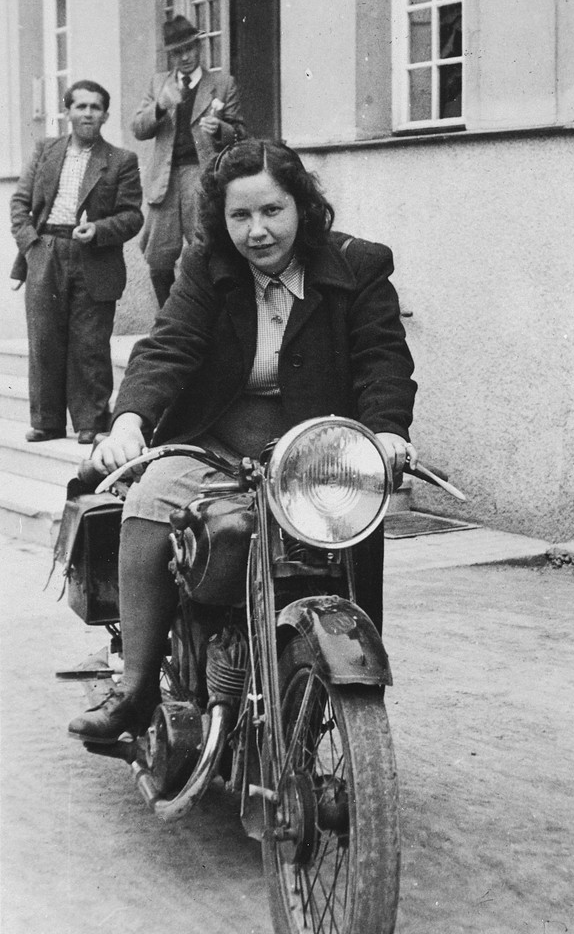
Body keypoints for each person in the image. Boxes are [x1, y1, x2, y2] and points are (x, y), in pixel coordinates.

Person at [68, 138, 417, 744]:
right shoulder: (206, 269)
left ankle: (317, 697)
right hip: (219, 437)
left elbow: (383, 359)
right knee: (150, 501)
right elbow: (168, 347)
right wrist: (129, 420)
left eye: (272, 211)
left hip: (315, 455)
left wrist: (387, 432)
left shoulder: (359, 266)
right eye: (240, 215)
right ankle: (137, 686)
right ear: (220, 219)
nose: (257, 231)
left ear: (302, 207)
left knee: (340, 543)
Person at [9, 80, 143, 444]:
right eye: (80, 106)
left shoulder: (121, 160)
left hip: (93, 256)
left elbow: (133, 216)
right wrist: (32, 246)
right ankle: (47, 421)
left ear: (106, 115)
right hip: (46, 249)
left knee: (90, 341)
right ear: (67, 112)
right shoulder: (45, 151)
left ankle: (91, 422)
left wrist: (98, 230)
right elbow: (20, 204)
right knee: (45, 338)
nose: (87, 114)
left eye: (95, 108)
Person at [133, 14, 246, 308]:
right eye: (177, 52)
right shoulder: (159, 84)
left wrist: (221, 129)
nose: (184, 57)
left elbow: (241, 134)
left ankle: (206, 322)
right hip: (165, 180)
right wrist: (160, 106)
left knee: (206, 252)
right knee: (158, 258)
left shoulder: (221, 84)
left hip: (202, 175)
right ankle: (170, 322)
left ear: (199, 48)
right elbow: (139, 129)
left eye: (189, 49)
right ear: (170, 55)